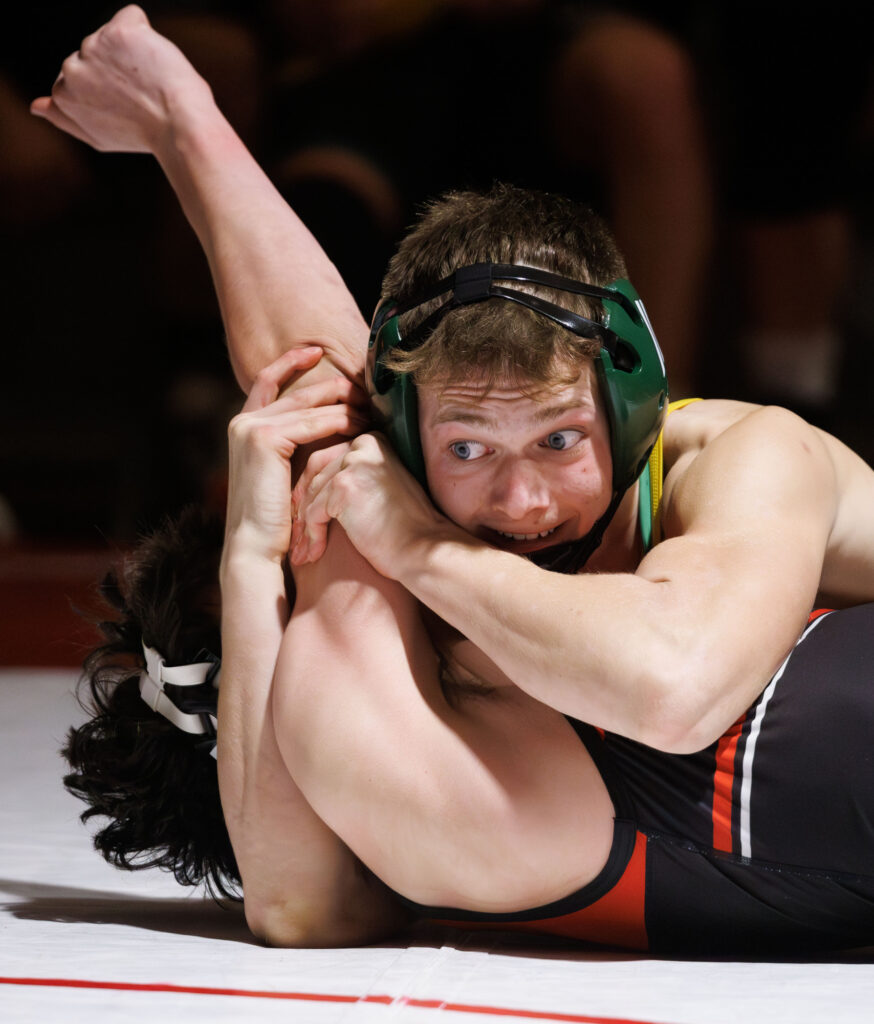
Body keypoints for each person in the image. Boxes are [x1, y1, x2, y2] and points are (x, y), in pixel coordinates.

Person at [40, 8, 874, 951]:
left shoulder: (740, 459)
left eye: (558, 440)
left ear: (633, 403)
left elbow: (669, 686)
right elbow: (298, 907)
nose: (522, 505)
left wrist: (182, 126)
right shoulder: (437, 702)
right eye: (468, 450)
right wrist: (256, 554)